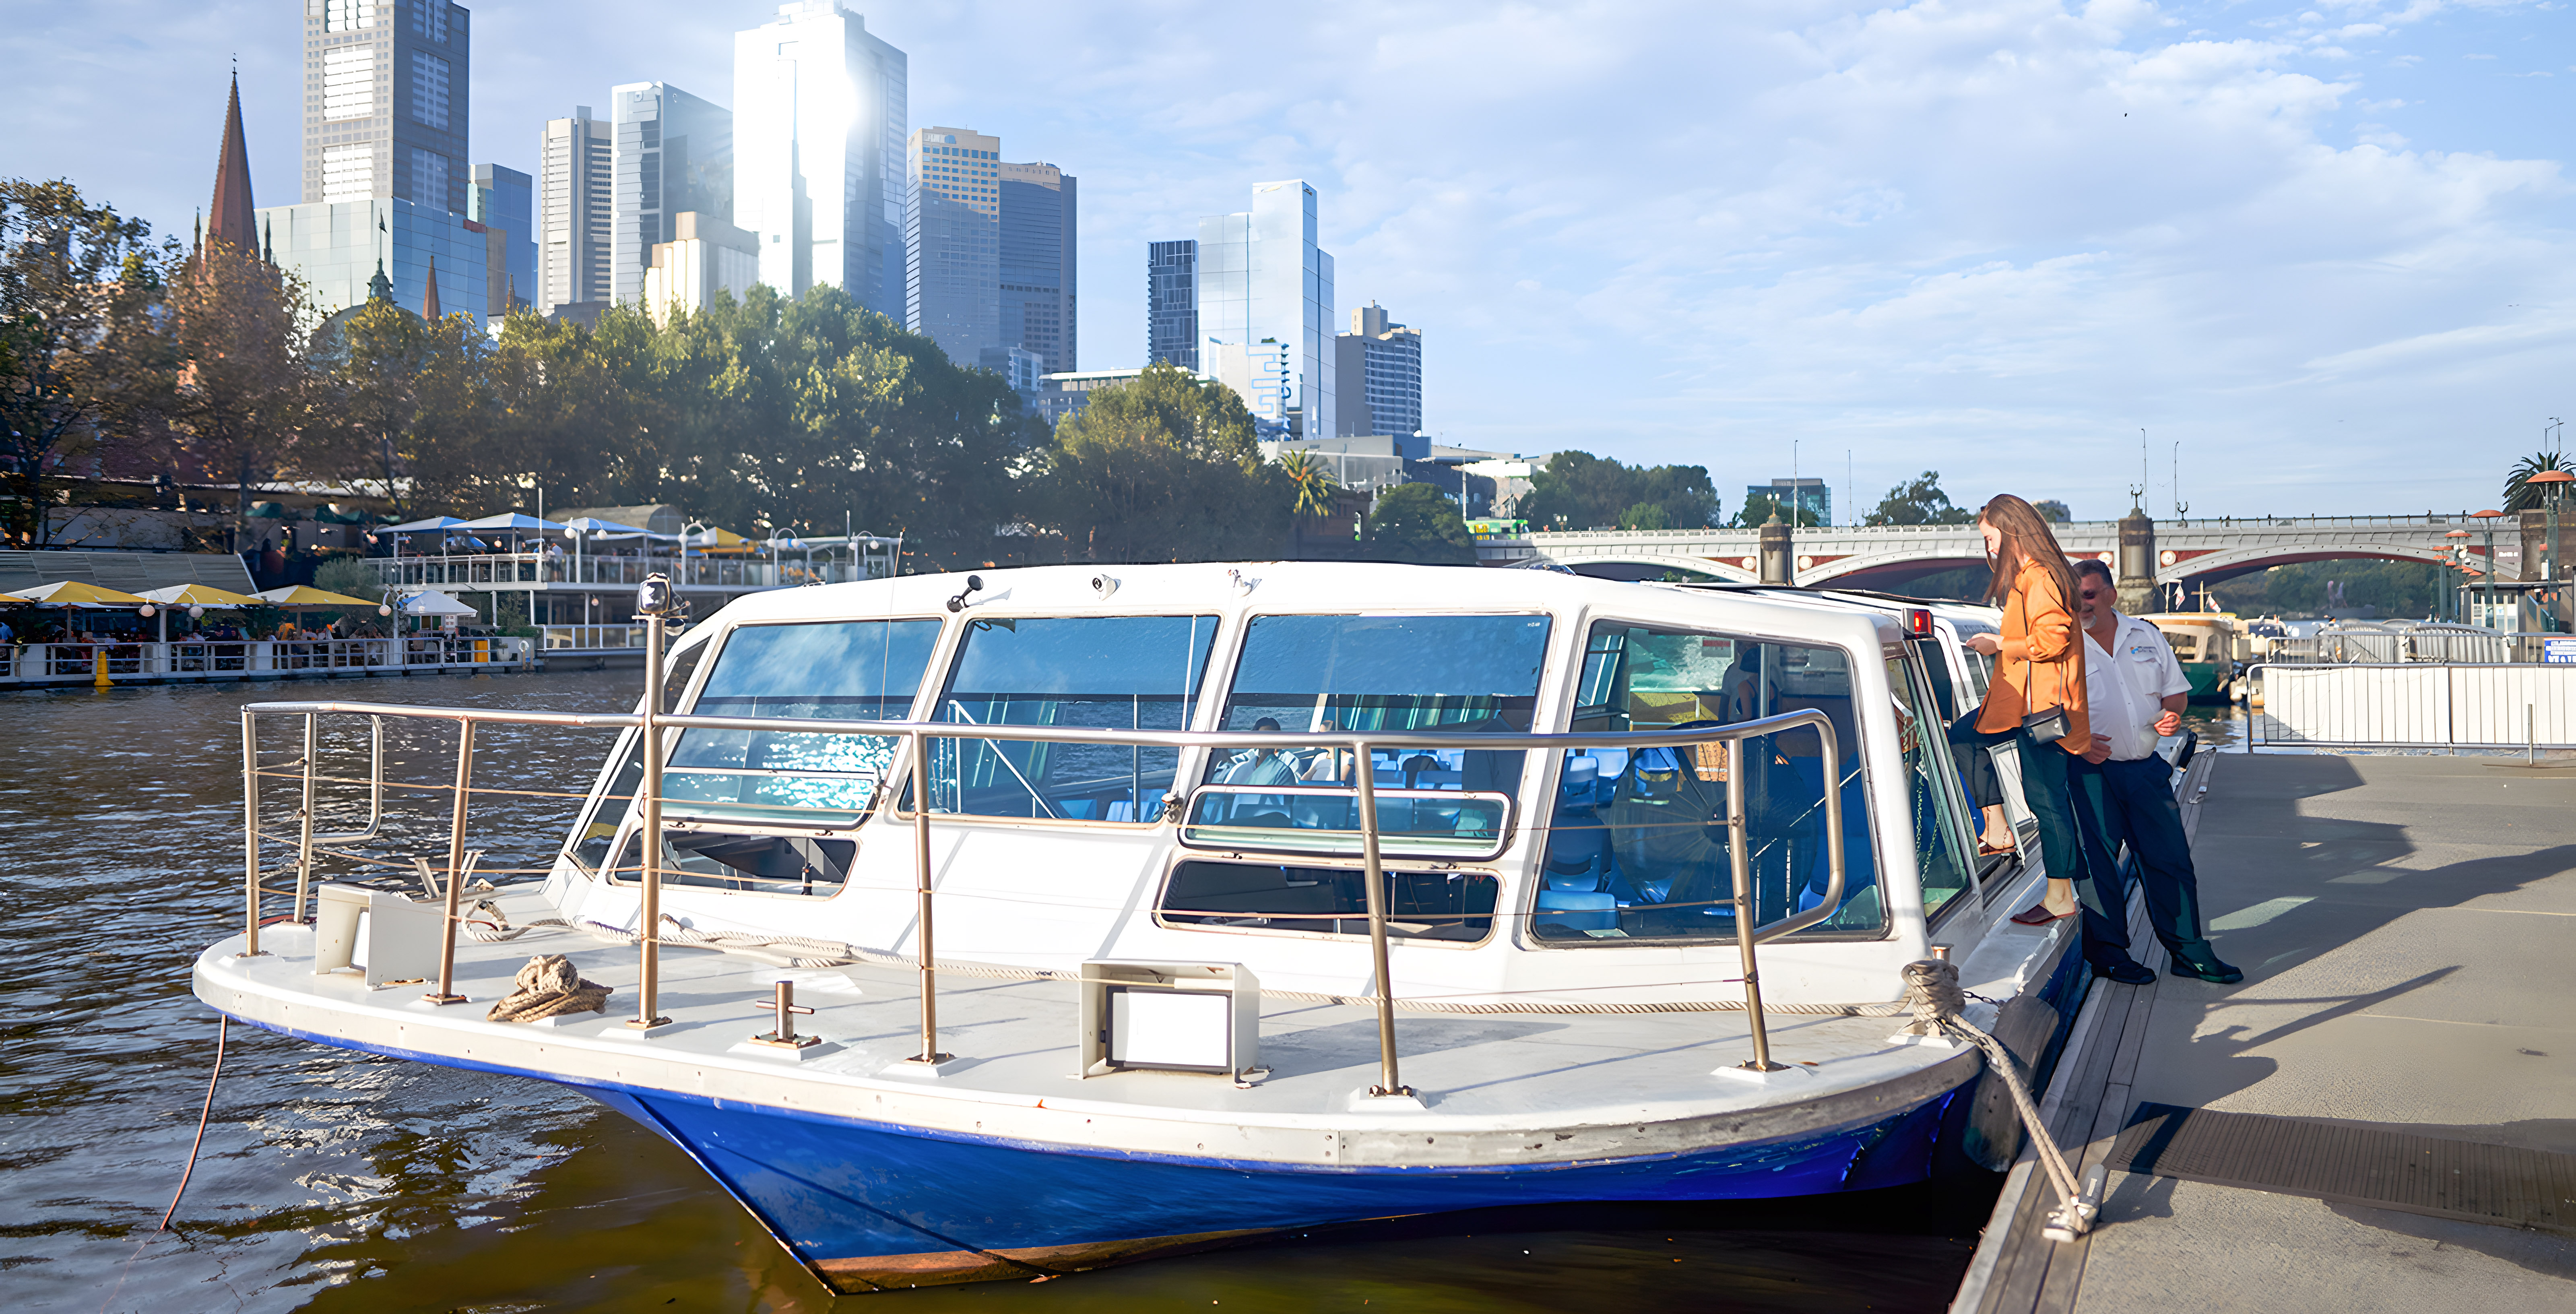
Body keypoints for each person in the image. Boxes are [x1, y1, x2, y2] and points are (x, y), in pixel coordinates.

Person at [1958, 494, 2151, 983]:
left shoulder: (2039, 576)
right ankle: (2013, 842)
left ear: (2009, 531)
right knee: (1979, 747)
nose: (1987, 546)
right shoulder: (2041, 573)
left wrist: (1997, 643)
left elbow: (2053, 639)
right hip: (2036, 707)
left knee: (2048, 805)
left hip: (2040, 711)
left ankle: (2059, 894)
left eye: (1989, 537)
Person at [2069, 560, 2244, 984]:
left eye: (2089, 595)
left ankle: (2189, 953)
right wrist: (2076, 741)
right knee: (2098, 869)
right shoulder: (2064, 644)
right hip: (2091, 773)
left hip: (2145, 770)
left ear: (2111, 594)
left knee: (2170, 861)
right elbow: (2046, 708)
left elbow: (2176, 694)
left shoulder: (2145, 635)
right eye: (2075, 597)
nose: (2081, 604)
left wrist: (2170, 715)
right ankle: (2111, 958)